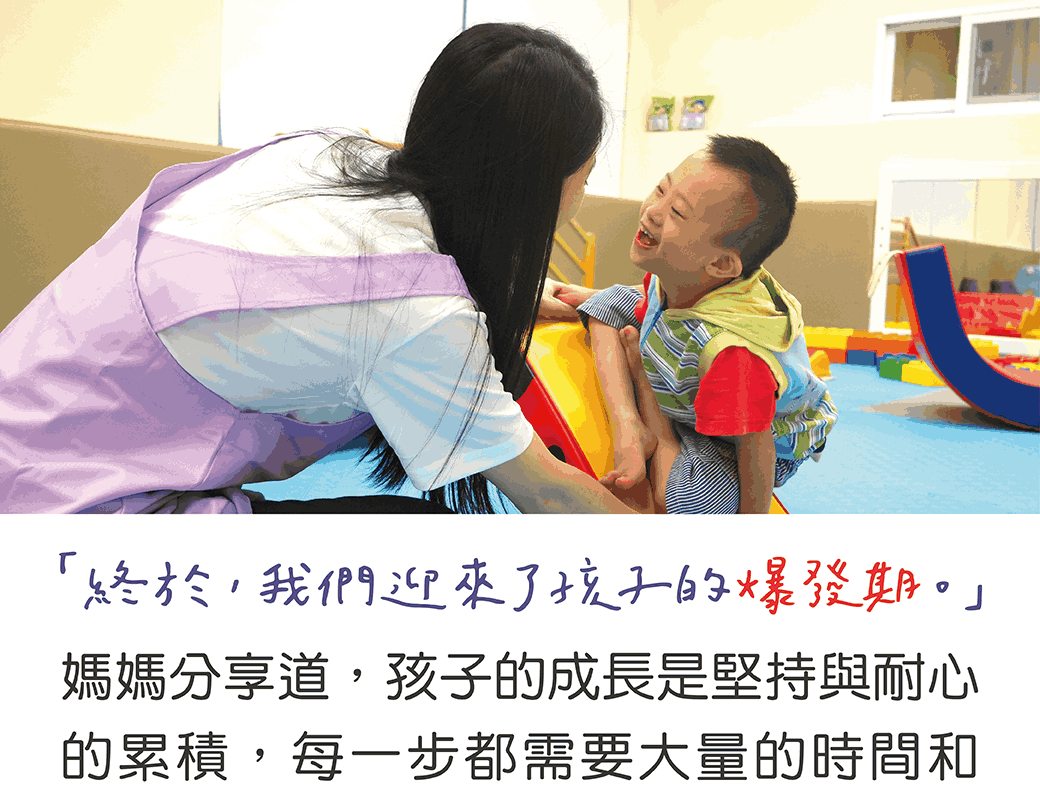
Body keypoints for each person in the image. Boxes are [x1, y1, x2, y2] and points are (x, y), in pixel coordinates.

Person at [0, 23, 632, 515]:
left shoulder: (324, 149)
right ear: (532, 188)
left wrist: (510, 295)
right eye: (584, 174)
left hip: (29, 409)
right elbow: (548, 493)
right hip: (71, 510)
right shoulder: (418, 315)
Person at [575, 135, 837, 514]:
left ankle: (658, 426)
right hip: (697, 394)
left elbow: (755, 447)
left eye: (677, 213)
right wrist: (585, 298)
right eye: (661, 189)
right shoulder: (680, 276)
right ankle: (630, 425)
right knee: (603, 303)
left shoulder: (732, 357)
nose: (653, 211)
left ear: (720, 264)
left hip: (739, 438)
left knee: (688, 503)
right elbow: (638, 302)